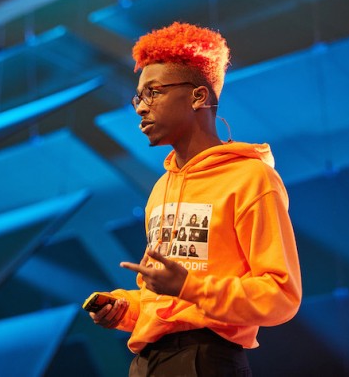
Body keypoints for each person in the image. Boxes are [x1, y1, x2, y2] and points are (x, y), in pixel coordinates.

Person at [87, 21, 301, 376]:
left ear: (198, 96)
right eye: (139, 96)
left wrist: (189, 286)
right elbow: (164, 300)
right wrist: (125, 308)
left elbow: (280, 296)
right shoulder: (160, 189)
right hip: (147, 363)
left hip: (207, 361)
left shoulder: (251, 178)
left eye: (153, 92)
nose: (141, 107)